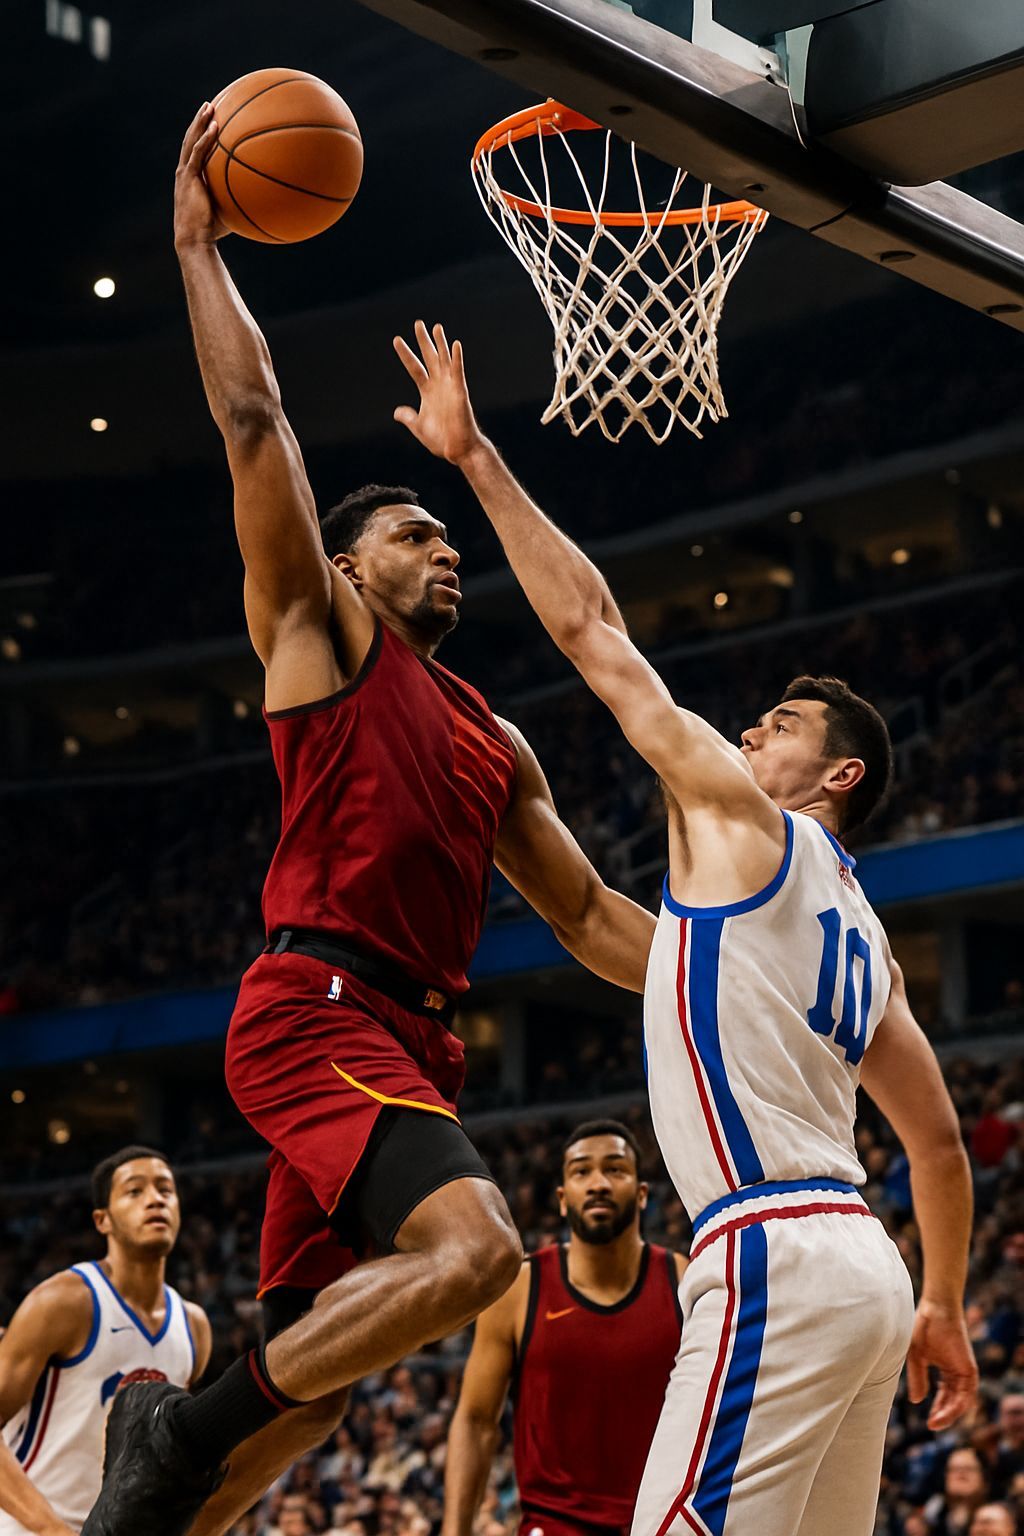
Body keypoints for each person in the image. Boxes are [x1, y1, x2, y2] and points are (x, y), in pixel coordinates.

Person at [81, 106, 654, 1536]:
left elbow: (588, 917)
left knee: (317, 1398)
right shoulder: (319, 636)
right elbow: (255, 418)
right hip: (313, 1008)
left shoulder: (492, 734)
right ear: (346, 560)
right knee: (477, 1257)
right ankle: (164, 1422)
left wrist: (732, 973)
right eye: (420, 533)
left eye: (455, 543)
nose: (449, 551)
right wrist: (199, 244)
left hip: (409, 1043)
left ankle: (161, 1501)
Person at [387, 321, 979, 1535]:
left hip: (773, 1257)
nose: (749, 732)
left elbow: (596, 633)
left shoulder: (747, 827)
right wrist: (944, 1305)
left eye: (779, 725)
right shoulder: (854, 938)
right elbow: (938, 1146)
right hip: (867, 1270)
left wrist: (475, 457)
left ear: (838, 775)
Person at [443, 1120, 686, 1536]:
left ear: (643, 1194)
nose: (598, 1184)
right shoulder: (518, 1290)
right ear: (561, 1198)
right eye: (581, 1171)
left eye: (615, 1169)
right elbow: (476, 1420)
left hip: (661, 1524)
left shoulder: (686, 1281)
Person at [0, 1148, 210, 1536]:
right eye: (135, 1191)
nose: (155, 1199)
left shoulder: (194, 1326)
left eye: (166, 1189)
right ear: (103, 1220)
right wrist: (51, 1530)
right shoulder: (64, 1302)